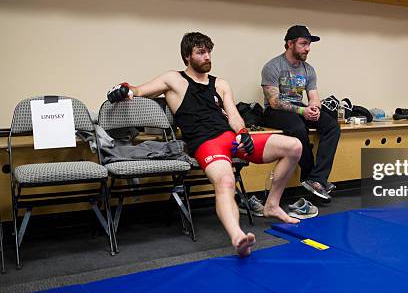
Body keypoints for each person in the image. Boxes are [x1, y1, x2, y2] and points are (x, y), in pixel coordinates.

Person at [107, 32, 302, 257]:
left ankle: (272, 205)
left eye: (209, 51)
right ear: (187, 57)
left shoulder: (220, 84)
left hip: (230, 139)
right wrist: (124, 90)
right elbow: (138, 90)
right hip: (205, 144)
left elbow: (234, 116)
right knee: (227, 180)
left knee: (294, 146)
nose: (207, 56)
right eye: (201, 52)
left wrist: (243, 133)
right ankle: (237, 236)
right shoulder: (174, 80)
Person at [261, 25, 341, 200]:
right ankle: (308, 174)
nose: (308, 48)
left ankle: (317, 178)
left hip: (300, 108)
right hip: (275, 112)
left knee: (331, 125)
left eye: (309, 44)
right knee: (297, 128)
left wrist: (314, 109)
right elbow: (274, 102)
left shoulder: (308, 69)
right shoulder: (273, 66)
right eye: (304, 43)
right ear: (290, 44)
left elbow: (314, 97)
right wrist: (303, 110)